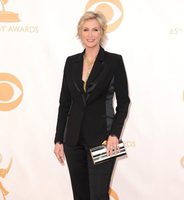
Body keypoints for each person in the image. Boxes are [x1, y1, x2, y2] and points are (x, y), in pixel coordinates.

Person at [54, 11, 130, 200]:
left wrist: (114, 134)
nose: (90, 34)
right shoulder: (71, 62)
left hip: (103, 140)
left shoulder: (114, 61)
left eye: (95, 30)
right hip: (73, 140)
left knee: (98, 195)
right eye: (85, 30)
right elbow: (64, 103)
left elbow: (123, 102)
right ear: (79, 32)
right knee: (80, 196)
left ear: (102, 32)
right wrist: (58, 139)